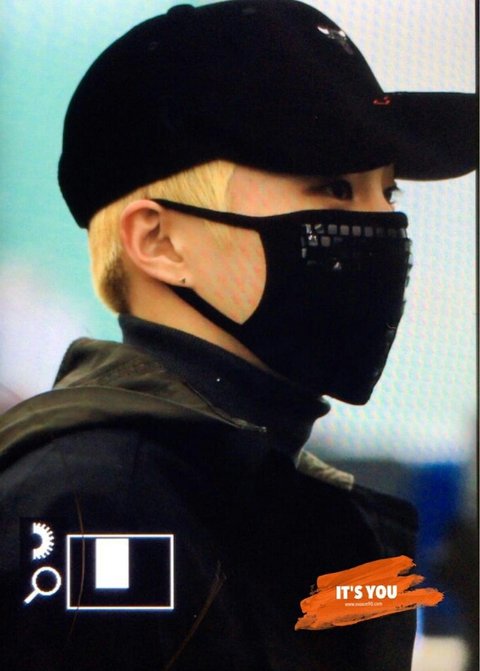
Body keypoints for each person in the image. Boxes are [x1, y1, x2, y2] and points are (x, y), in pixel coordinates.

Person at [0, 1, 476, 669]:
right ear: (159, 241)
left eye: (388, 194)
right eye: (335, 188)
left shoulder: (276, 494)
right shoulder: (96, 508)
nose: (384, 227)